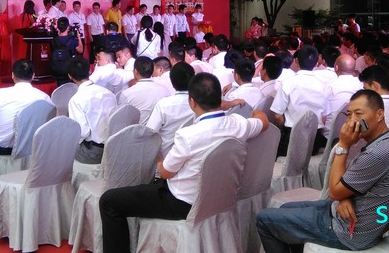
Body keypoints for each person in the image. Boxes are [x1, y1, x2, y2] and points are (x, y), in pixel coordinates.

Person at [101, 73, 269, 253]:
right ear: (219, 98)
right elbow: (264, 121)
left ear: (192, 102)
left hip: (183, 203)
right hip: (220, 197)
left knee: (108, 201)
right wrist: (255, 112)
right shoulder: (239, 124)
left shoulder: (189, 135)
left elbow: (164, 172)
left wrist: (158, 154)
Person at [255, 90, 389, 252]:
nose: (352, 121)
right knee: (285, 209)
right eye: (349, 115)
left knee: (264, 219)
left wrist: (343, 145)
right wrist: (344, 197)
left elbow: (334, 191)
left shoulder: (378, 154)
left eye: (359, 114)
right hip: (348, 214)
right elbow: (347, 186)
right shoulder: (388, 143)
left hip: (349, 231)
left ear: (379, 115)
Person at [270, 45, 329, 156]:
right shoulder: (324, 86)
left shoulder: (288, 83)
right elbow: (324, 118)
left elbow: (277, 116)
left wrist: (283, 128)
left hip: (292, 138)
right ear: (316, 63)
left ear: (296, 60)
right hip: (314, 140)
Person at [0, 59, 53, 156]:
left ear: (12, 75)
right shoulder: (44, 98)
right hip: (31, 148)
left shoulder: (0, 94)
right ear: (33, 76)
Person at [66, 56, 117, 164]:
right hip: (114, 147)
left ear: (70, 76)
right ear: (89, 71)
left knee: (61, 145)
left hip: (94, 152)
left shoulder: (76, 100)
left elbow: (82, 133)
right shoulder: (108, 93)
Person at [116, 56, 171, 123]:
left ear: (135, 71)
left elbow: (120, 120)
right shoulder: (165, 90)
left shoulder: (125, 94)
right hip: (159, 129)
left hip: (135, 129)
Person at [50, 17, 83, 84]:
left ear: (58, 27)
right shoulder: (72, 40)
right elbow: (80, 50)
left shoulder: (54, 40)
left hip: (56, 70)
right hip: (69, 70)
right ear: (68, 27)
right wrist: (79, 37)